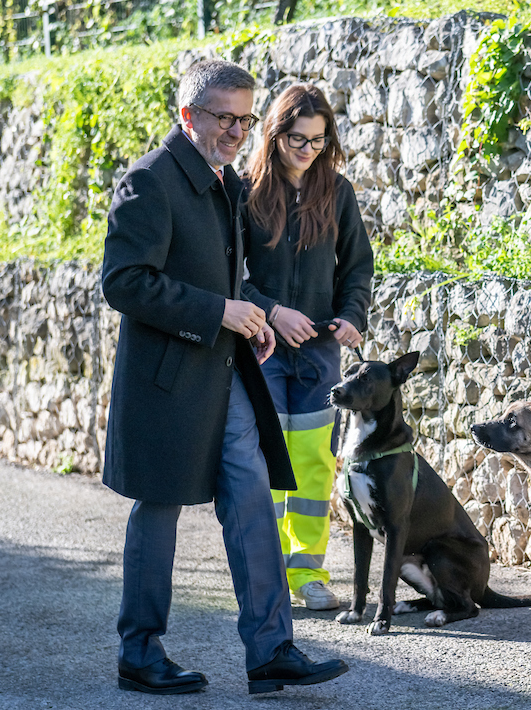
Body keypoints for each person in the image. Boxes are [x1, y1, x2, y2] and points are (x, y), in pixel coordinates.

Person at [101, 59, 349, 695]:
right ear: (188, 115)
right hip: (165, 385)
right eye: (223, 117)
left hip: (227, 376)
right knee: (157, 513)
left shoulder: (228, 184)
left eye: (245, 118)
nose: (237, 130)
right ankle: (140, 652)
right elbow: (125, 283)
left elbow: (233, 279)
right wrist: (221, 312)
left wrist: (255, 314)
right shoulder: (149, 181)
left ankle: (271, 651)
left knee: (250, 504)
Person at [240, 83, 374, 612]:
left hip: (320, 356)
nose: (308, 150)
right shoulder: (244, 191)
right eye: (298, 139)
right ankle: (268, 571)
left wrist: (351, 316)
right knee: (268, 462)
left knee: (316, 464)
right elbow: (231, 276)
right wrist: (272, 312)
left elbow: (357, 267)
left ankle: (309, 573)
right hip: (262, 348)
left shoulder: (338, 193)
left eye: (318, 141)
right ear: (275, 135)